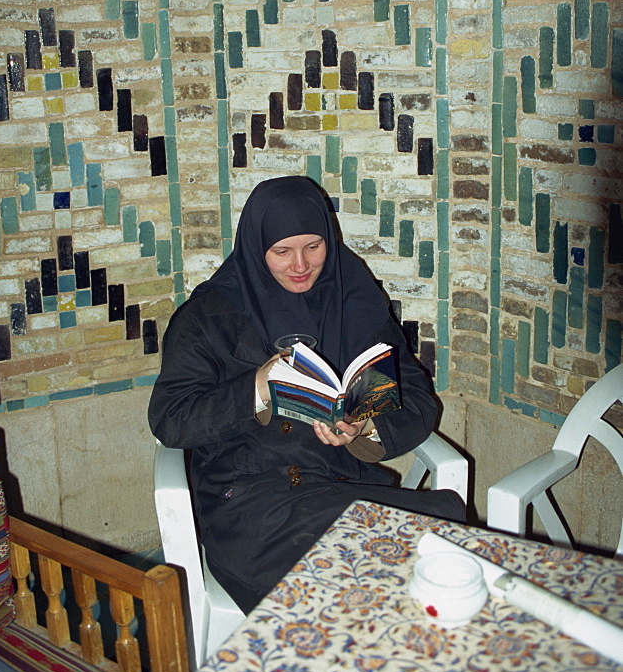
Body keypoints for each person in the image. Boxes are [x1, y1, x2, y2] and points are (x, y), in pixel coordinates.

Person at [148, 176, 465, 613]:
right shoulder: (210, 315)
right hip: (254, 503)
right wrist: (257, 387)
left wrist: (367, 425)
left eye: (313, 247)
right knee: (377, 577)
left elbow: (417, 398)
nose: (300, 265)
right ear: (257, 248)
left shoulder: (353, 301)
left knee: (440, 552)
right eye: (281, 251)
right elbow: (170, 419)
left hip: (344, 483)